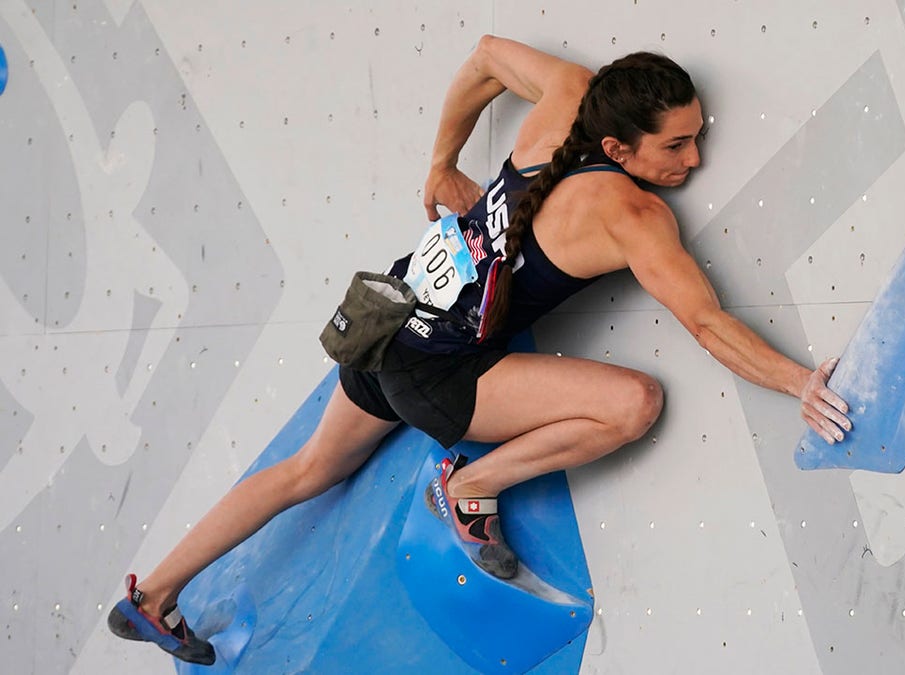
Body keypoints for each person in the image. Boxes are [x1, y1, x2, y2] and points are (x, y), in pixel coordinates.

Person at [107, 35, 852, 665]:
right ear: (620, 146)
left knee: (306, 471)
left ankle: (154, 595)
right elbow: (708, 323)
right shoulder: (632, 213)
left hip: (389, 322)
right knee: (635, 404)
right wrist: (798, 383)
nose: (694, 160)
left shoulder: (568, 94)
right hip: (436, 370)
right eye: (677, 145)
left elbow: (487, 55)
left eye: (699, 136)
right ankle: (470, 486)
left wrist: (441, 161)